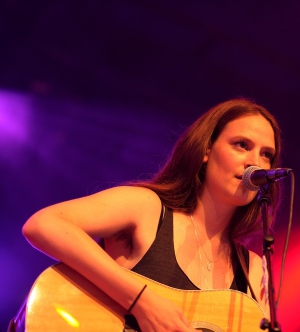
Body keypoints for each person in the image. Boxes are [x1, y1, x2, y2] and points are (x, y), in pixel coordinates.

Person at [22, 98, 284, 332]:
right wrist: (141, 301)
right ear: (206, 150)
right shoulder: (147, 208)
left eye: (266, 155)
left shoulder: (254, 272)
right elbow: (44, 225)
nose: (256, 163)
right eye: (241, 145)